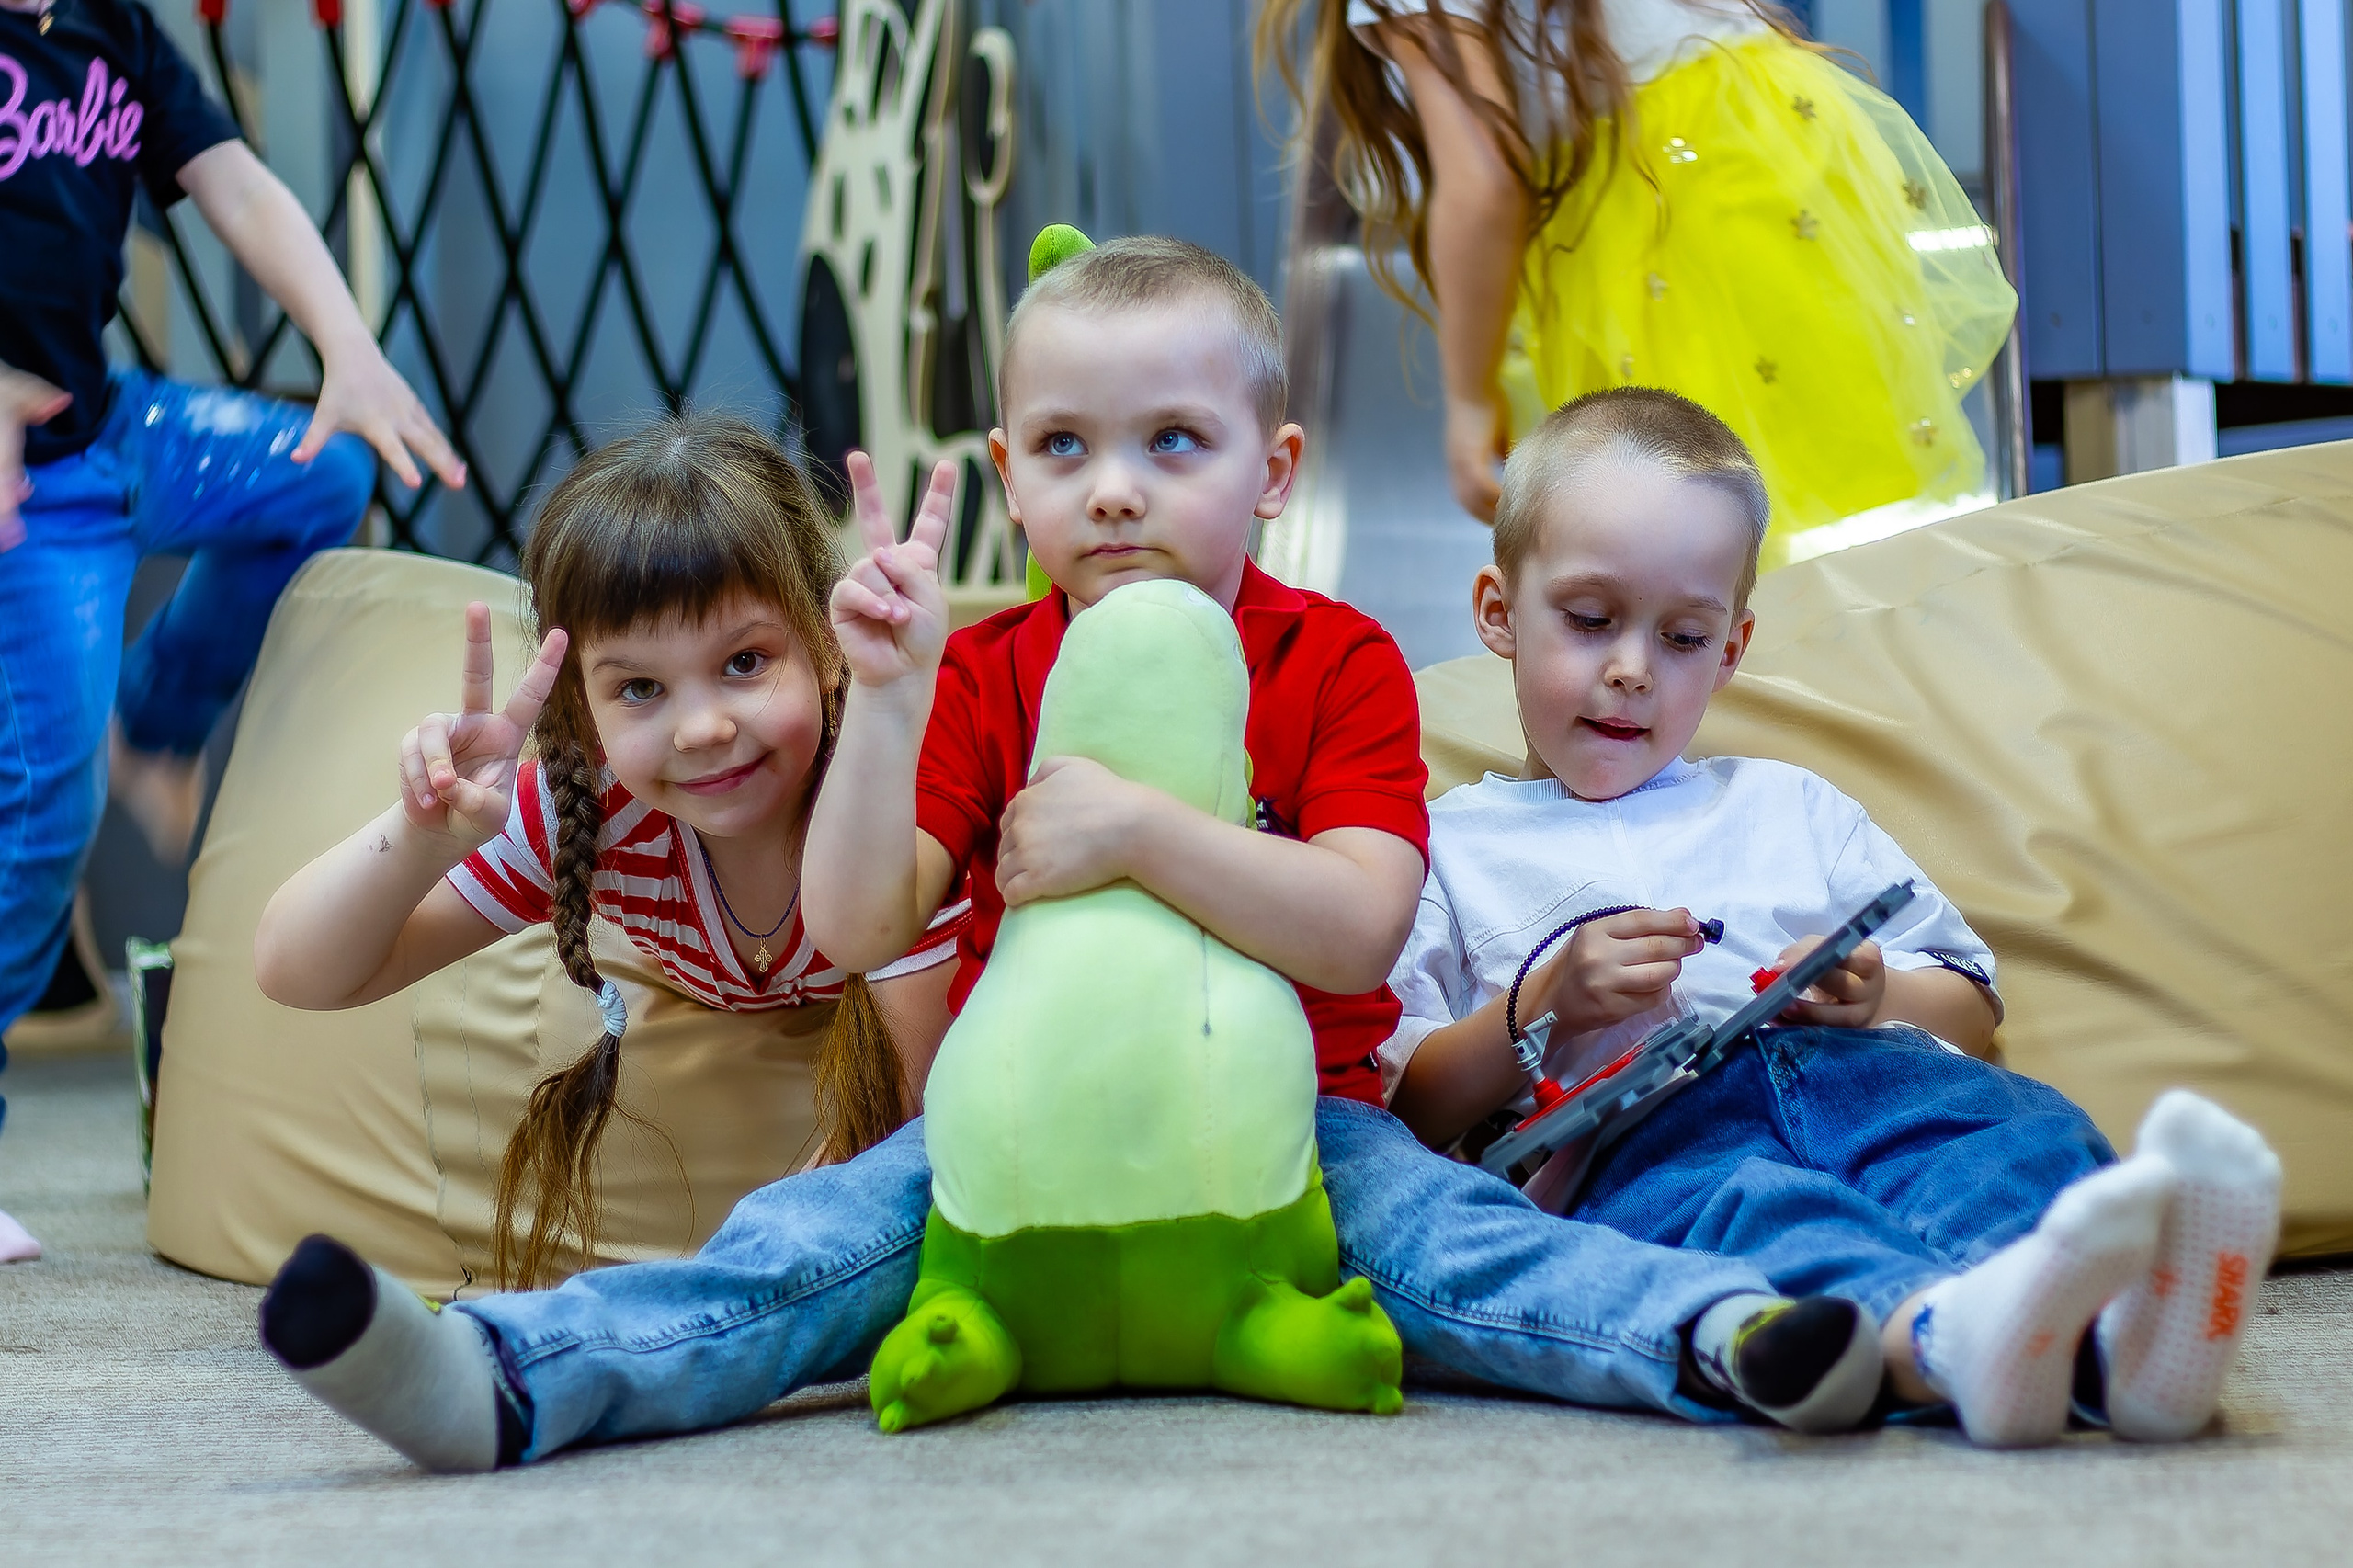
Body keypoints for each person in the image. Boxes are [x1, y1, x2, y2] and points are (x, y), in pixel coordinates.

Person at [253, 236, 1905, 1475]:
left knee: (1475, 1257)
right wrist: (889, 706)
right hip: (1014, 1132)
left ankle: (1730, 1339)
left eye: (1172, 446)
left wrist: (1138, 831)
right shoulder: (978, 669)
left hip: (1296, 1124)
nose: (1114, 493)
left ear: (1272, 476)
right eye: (1063, 451)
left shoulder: (1332, 660)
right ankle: (504, 1377)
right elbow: (857, 920)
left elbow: (1356, 928)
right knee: (801, 1244)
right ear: (1007, 483)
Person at [1383, 385, 2285, 1446]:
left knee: (2013, 1132)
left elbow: (1968, 1001)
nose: (1631, 668)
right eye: (1589, 621)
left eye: (1682, 637)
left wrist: (1873, 993)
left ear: (1731, 649)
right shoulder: (1443, 846)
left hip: (1869, 1075)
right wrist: (1541, 1004)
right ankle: (1950, 1333)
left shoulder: (1787, 803)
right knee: (1748, 1216)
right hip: (1646, 1135)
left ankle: (2118, 1340)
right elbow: (1407, 1102)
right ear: (1497, 611)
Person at [254, 414, 969, 1289]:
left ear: (826, 645)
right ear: (584, 712)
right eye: (639, 688)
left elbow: (882, 1140)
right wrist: (417, 838)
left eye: (745, 662)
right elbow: (298, 971)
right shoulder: (595, 804)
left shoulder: (897, 787)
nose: (703, 729)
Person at [1, 0, 463, 1263]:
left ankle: (160, 720)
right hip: (25, 496)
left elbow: (239, 188)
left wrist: (349, 348)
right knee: (41, 809)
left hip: (107, 432)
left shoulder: (106, 27)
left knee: (315, 476)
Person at [1256, 1, 2016, 563]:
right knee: (1803, 537)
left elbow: (1482, 180)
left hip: (1656, 207)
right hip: (1785, 150)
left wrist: (1467, 398)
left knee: (1680, 545)